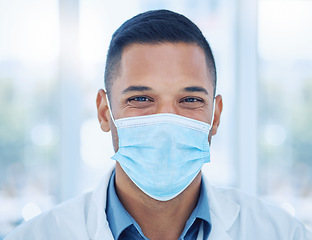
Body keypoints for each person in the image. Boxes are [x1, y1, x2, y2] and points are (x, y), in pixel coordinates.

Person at [5, 9, 312, 240]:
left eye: (190, 100)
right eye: (140, 99)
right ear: (103, 112)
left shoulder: (282, 233)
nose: (167, 121)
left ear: (215, 116)